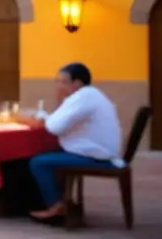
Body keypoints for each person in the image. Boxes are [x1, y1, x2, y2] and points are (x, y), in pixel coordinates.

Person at [24, 63, 123, 222]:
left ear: (76, 84)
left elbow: (55, 127)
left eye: (63, 82)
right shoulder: (90, 95)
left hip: (96, 156)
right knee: (50, 152)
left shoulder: (82, 97)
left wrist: (58, 105)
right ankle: (61, 200)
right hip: (99, 152)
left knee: (38, 162)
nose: (58, 86)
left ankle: (56, 206)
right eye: (57, 82)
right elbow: (57, 121)